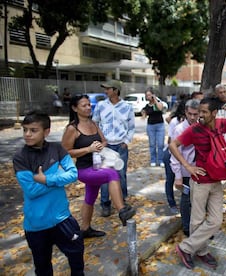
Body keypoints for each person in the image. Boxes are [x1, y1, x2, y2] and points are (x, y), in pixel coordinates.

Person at [170, 96, 226, 270]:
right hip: (200, 181)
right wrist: (187, 166)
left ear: (214, 113)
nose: (199, 115)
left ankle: (186, 248)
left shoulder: (221, 124)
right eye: (199, 111)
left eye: (204, 112)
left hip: (216, 180)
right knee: (197, 220)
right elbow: (173, 145)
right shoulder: (194, 130)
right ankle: (200, 251)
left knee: (216, 220)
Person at [13, 110, 84, 275]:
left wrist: (47, 180)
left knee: (76, 258)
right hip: (36, 224)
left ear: (46, 132)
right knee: (43, 268)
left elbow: (73, 174)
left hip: (62, 219)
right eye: (25, 130)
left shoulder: (57, 149)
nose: (27, 134)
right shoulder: (20, 157)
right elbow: (31, 191)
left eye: (33, 130)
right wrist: (59, 176)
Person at [62, 94, 136, 238]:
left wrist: (99, 146)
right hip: (84, 170)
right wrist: (87, 149)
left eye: (89, 104)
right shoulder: (72, 128)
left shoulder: (93, 123)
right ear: (74, 108)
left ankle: (85, 229)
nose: (88, 107)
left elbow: (104, 141)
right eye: (84, 105)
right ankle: (122, 210)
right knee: (112, 174)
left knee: (90, 197)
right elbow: (65, 152)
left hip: (97, 165)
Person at [92, 79, 135, 217]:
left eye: (108, 89)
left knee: (120, 174)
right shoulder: (100, 105)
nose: (105, 91)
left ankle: (122, 202)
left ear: (116, 90)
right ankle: (105, 204)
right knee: (104, 176)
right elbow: (95, 123)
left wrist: (126, 141)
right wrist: (100, 140)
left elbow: (131, 126)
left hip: (120, 146)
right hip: (106, 146)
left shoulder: (127, 107)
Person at [170, 99, 201, 236]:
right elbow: (175, 154)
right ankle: (187, 227)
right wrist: (178, 176)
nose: (193, 117)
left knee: (199, 200)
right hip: (186, 170)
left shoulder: (202, 127)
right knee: (186, 199)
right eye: (190, 114)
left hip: (199, 169)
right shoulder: (179, 129)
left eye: (196, 114)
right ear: (185, 112)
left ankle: (198, 226)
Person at [164, 95, 188, 214]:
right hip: (170, 153)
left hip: (182, 154)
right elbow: (170, 142)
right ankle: (171, 203)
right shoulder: (175, 122)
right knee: (171, 179)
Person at [141, 87, 165, 167]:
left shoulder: (158, 102)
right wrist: (143, 114)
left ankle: (161, 160)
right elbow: (144, 113)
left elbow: (160, 108)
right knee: (152, 144)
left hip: (160, 125)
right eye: (147, 95)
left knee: (161, 144)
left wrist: (155, 99)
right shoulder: (146, 106)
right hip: (151, 126)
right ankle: (153, 160)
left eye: (149, 95)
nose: (148, 97)